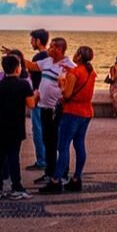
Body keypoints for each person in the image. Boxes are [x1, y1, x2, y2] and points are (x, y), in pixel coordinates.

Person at [19, 37, 74, 186]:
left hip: (57, 109)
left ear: (59, 49)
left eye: (51, 47)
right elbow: (31, 66)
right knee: (47, 140)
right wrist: (17, 56)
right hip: (43, 107)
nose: (48, 49)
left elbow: (71, 88)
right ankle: (49, 172)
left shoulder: (69, 66)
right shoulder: (47, 61)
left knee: (59, 142)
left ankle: (62, 173)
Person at [42, 46, 96, 194]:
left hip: (72, 112)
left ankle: (56, 180)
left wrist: (61, 83)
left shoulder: (75, 72)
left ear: (79, 56)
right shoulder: (91, 72)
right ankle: (76, 179)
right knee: (79, 145)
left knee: (63, 145)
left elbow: (66, 94)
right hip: (86, 112)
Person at [0, 54, 35, 199]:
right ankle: (16, 187)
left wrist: (0, 106)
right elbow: (31, 104)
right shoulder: (24, 84)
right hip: (15, 126)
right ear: (17, 68)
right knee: (13, 157)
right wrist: (36, 95)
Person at [26, 29, 49, 171]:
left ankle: (41, 160)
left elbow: (31, 73)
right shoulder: (49, 56)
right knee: (46, 129)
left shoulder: (38, 57)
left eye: (32, 39)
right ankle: (48, 158)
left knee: (38, 129)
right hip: (46, 98)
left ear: (38, 41)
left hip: (37, 97)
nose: (31, 42)